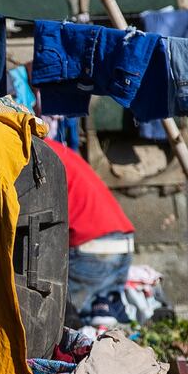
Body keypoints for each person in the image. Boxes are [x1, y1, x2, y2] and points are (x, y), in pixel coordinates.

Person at [47, 135, 135, 323]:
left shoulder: (35, 154)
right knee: (103, 323)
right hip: (122, 241)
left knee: (69, 324)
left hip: (92, 246)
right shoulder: (56, 148)